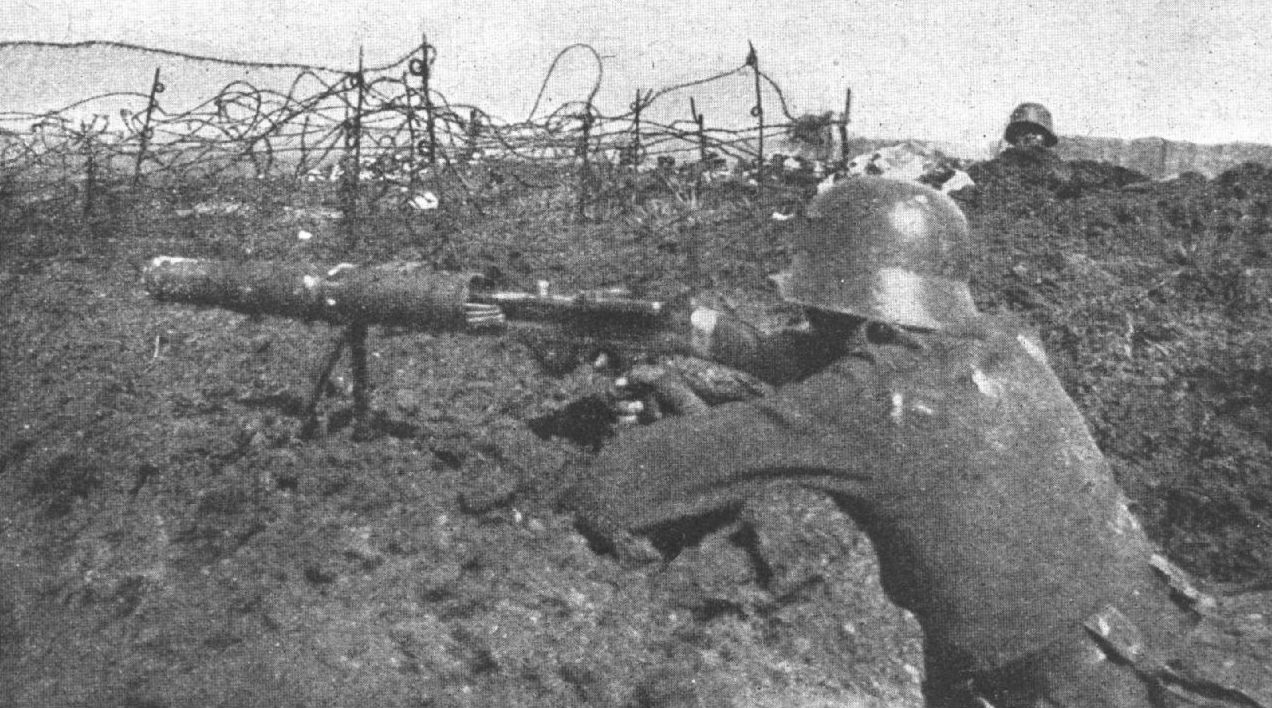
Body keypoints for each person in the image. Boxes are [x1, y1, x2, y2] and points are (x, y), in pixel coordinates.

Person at [557, 176, 1271, 707]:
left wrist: (663, 416)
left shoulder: (861, 403)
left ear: (832, 298)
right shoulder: (1007, 343)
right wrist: (713, 336)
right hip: (1174, 640)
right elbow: (855, 362)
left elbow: (613, 489)